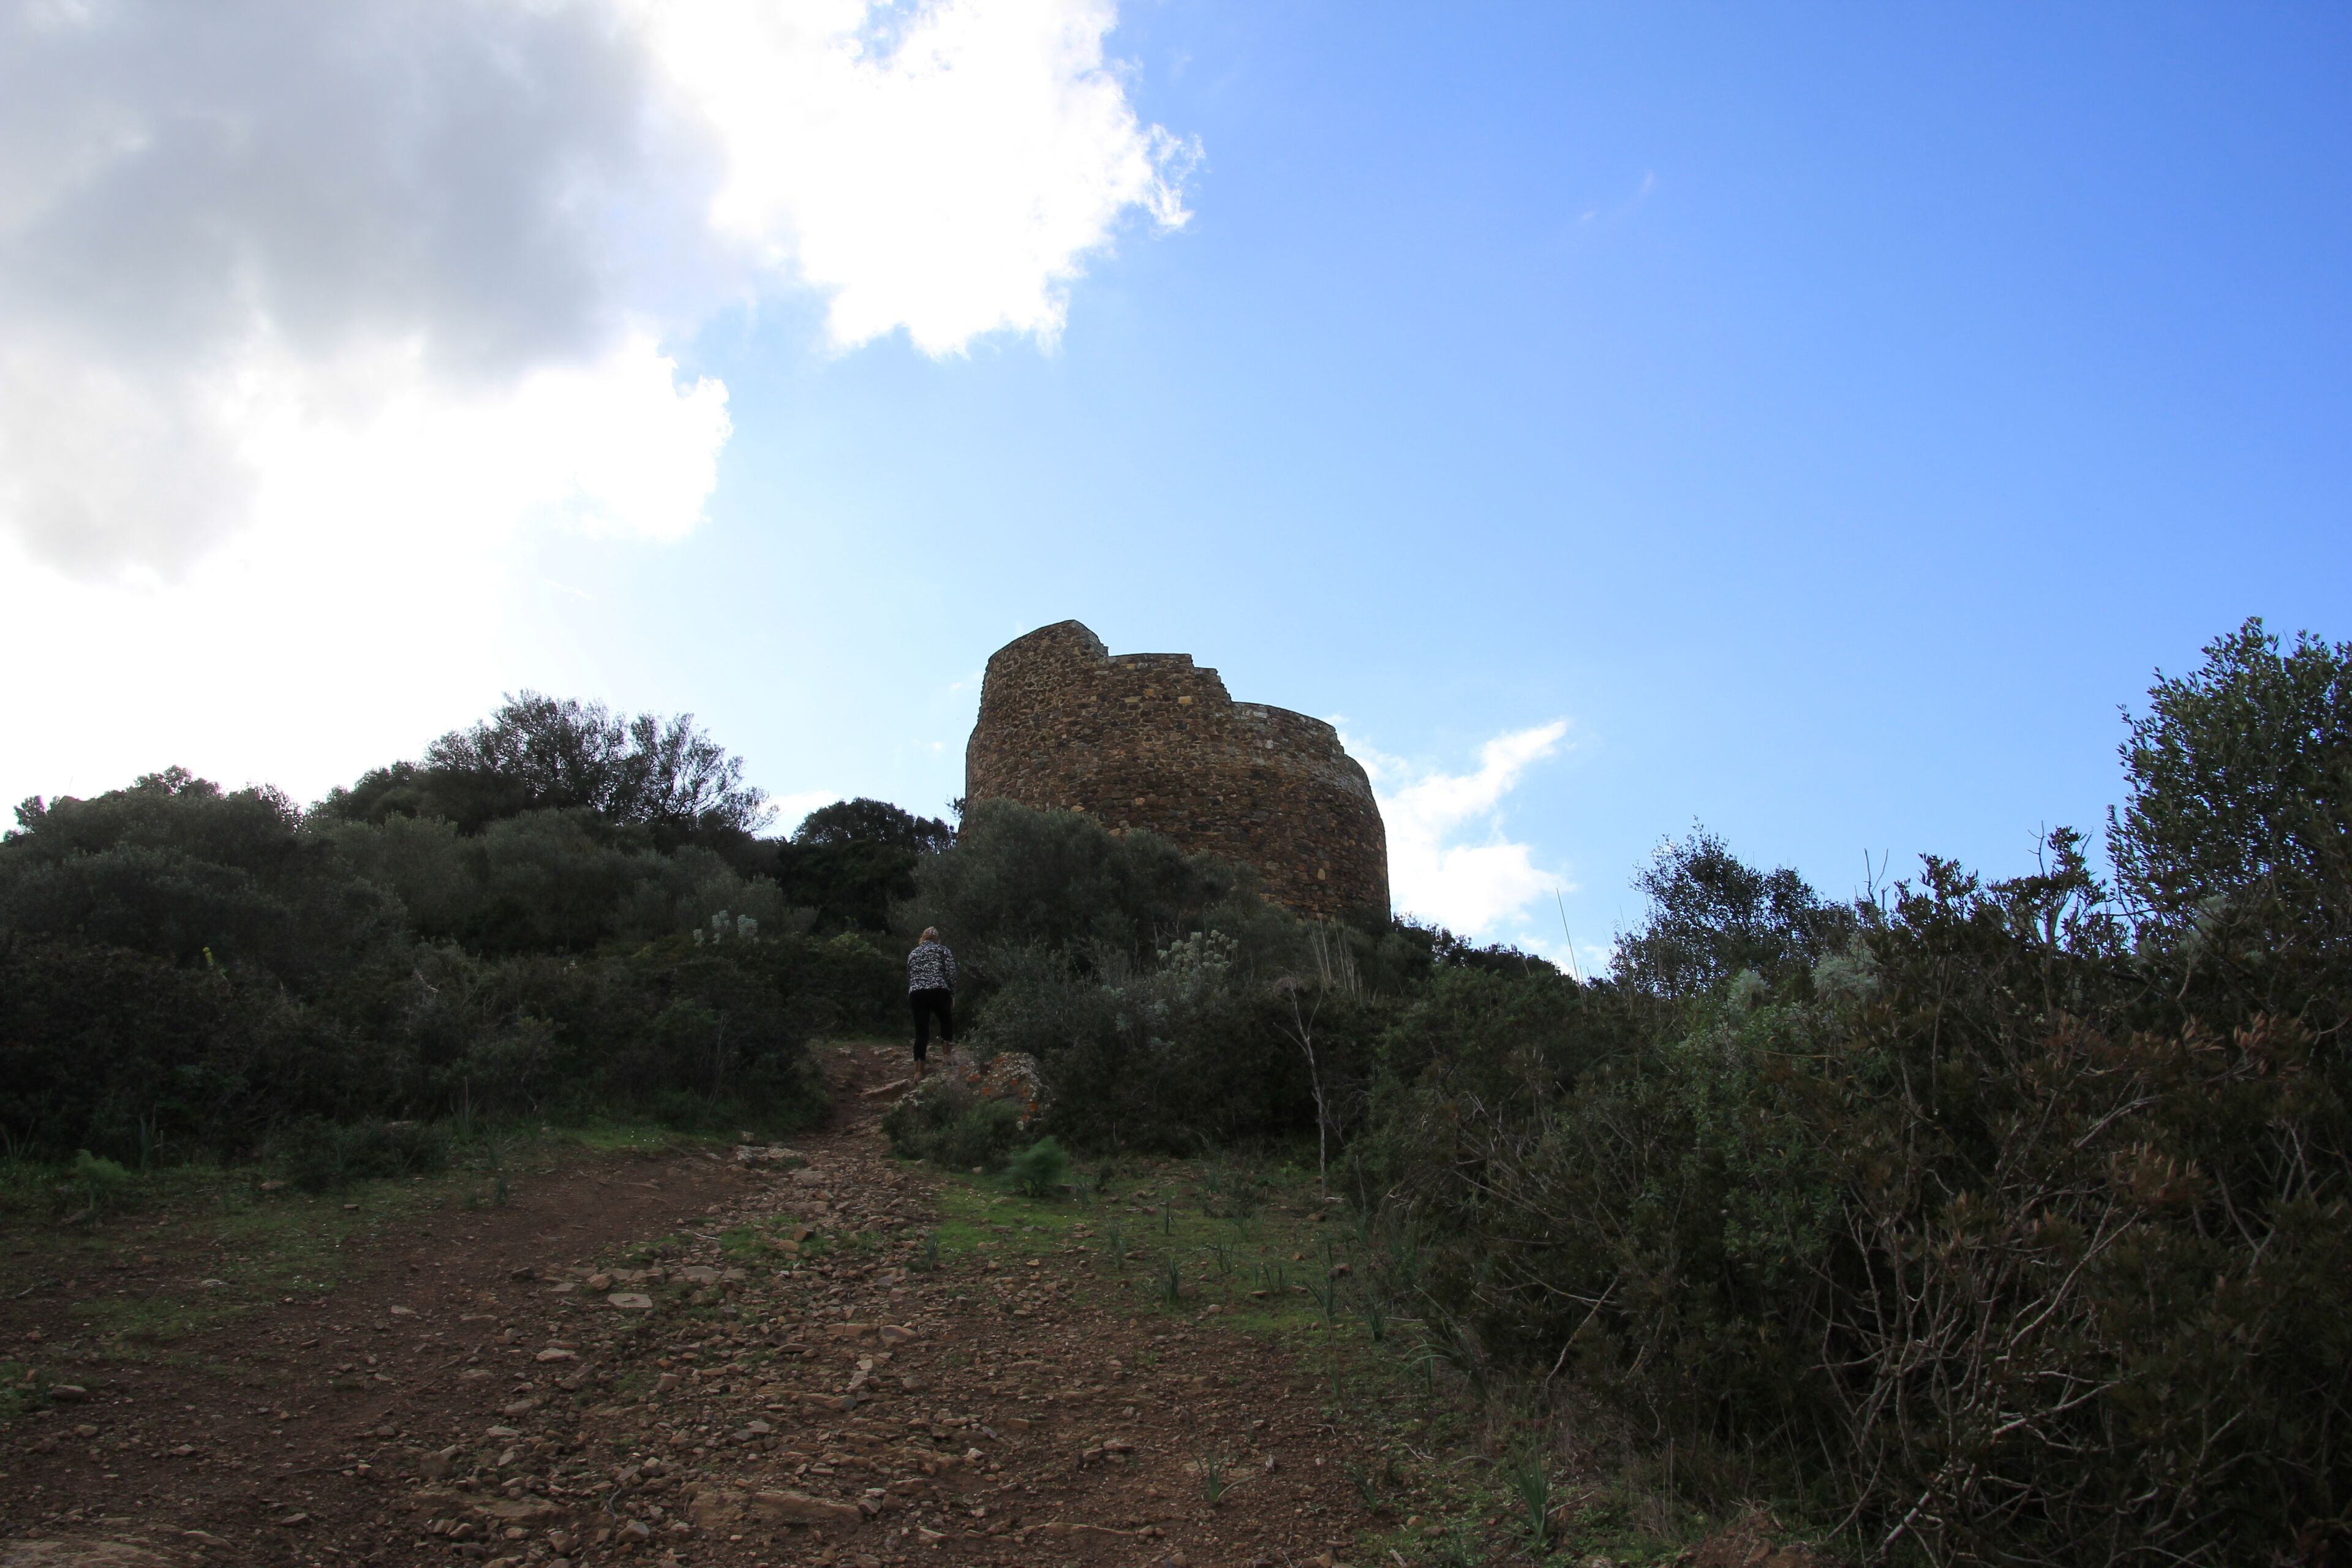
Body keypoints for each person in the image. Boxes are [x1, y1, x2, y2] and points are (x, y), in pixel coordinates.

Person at [907, 926, 957, 1072]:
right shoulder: (943, 950)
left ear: (922, 938)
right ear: (937, 939)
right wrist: (952, 994)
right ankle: (947, 1057)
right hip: (939, 990)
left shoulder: (913, 953)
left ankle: (918, 1070)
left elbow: (910, 975)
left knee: (921, 1031)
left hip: (917, 993)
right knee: (946, 1021)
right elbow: (951, 973)